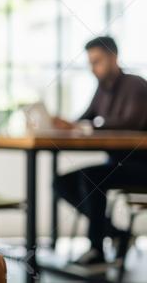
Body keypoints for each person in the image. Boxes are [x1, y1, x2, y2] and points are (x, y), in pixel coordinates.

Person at [52, 36, 147, 268]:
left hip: (141, 167)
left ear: (113, 57)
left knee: (91, 177)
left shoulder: (136, 85)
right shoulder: (102, 89)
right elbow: (85, 119)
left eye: (98, 61)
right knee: (61, 182)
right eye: (91, 63)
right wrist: (65, 125)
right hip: (115, 164)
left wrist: (88, 126)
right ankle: (115, 232)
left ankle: (96, 249)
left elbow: (131, 123)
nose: (94, 68)